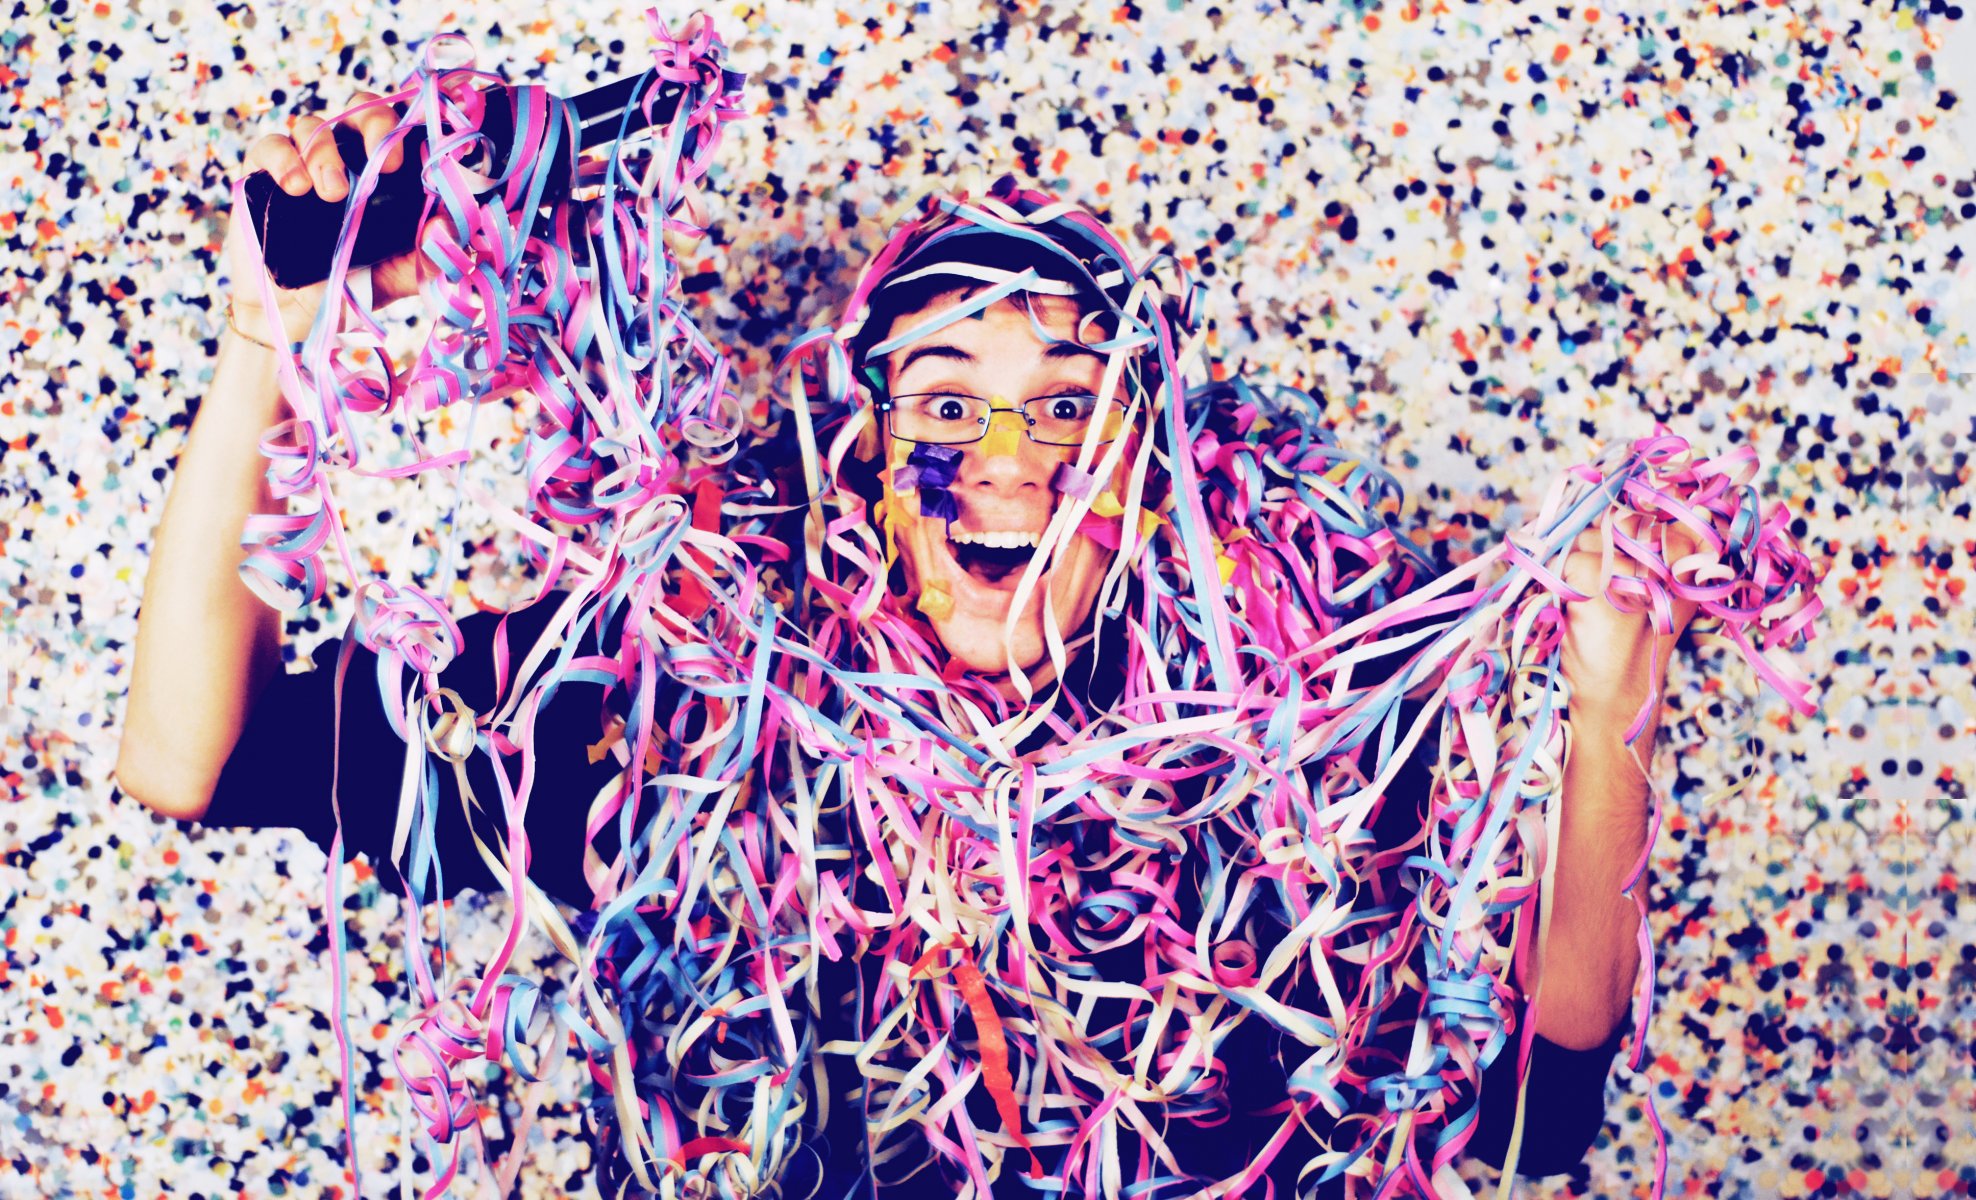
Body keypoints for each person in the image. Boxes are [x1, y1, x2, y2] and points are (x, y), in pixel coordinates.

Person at [117, 80, 1687, 1200]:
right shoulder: (671, 724)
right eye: (945, 404)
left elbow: (1534, 1108)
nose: (1009, 464)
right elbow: (195, 756)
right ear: (859, 464)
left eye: (1069, 408)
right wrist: (274, 331)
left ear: (1152, 476)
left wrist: (1612, 688)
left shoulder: (1293, 769)